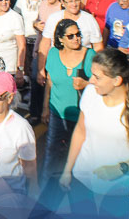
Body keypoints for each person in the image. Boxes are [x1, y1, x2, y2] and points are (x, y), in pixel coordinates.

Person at [58, 49, 129, 207]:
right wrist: (67, 170)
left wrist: (120, 169)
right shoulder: (91, 93)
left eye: (97, 77)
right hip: (81, 180)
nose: (91, 81)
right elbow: (80, 131)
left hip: (118, 188)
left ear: (117, 80)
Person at [41, 19, 94, 180]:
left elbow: (100, 82)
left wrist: (86, 83)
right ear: (60, 39)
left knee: (80, 155)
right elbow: (49, 81)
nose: (76, 38)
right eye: (70, 36)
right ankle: (46, 191)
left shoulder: (89, 55)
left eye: (78, 34)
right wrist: (45, 108)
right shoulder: (53, 54)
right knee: (51, 154)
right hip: (57, 112)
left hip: (82, 117)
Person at [37, 0, 104, 84]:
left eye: (76, 0)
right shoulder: (53, 18)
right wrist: (41, 69)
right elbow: (44, 44)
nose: (74, 4)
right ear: (63, 3)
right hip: (58, 64)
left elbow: (98, 47)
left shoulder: (89, 20)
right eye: (70, 1)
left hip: (83, 65)